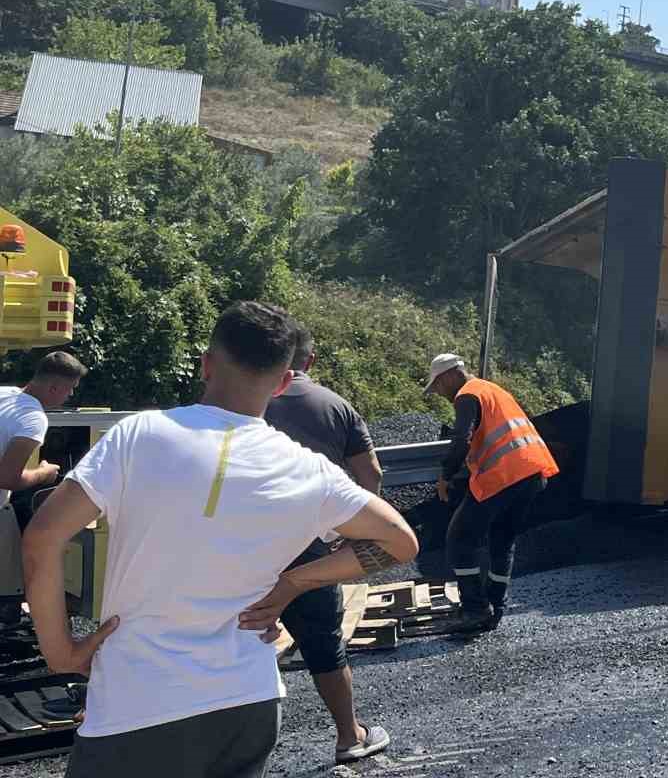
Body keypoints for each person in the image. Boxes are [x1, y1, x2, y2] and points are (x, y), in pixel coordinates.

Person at [22, 301, 418, 778]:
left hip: (138, 704)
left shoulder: (140, 435)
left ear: (206, 363)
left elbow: (42, 538)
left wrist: (61, 652)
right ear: (283, 382)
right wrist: (293, 584)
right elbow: (400, 542)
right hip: (248, 704)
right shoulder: (309, 470)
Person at [262, 322, 389, 764]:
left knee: (240, 634)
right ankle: (349, 736)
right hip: (310, 547)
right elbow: (371, 475)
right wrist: (350, 537)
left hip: (244, 544)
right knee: (323, 643)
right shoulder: (336, 406)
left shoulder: (244, 401)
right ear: (310, 361)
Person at [424, 353, 559, 634]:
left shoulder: (467, 395)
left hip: (504, 475)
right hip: (531, 473)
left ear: (449, 376)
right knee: (502, 540)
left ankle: (475, 610)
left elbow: (461, 439)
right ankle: (495, 606)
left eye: (437, 386)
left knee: (459, 539)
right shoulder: (492, 389)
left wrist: (445, 476)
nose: (439, 393)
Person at [0, 353, 83, 625]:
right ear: (54, 388)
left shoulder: (5, 394)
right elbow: (7, 478)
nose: (70, 395)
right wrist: (42, 474)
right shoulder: (33, 418)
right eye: (70, 389)